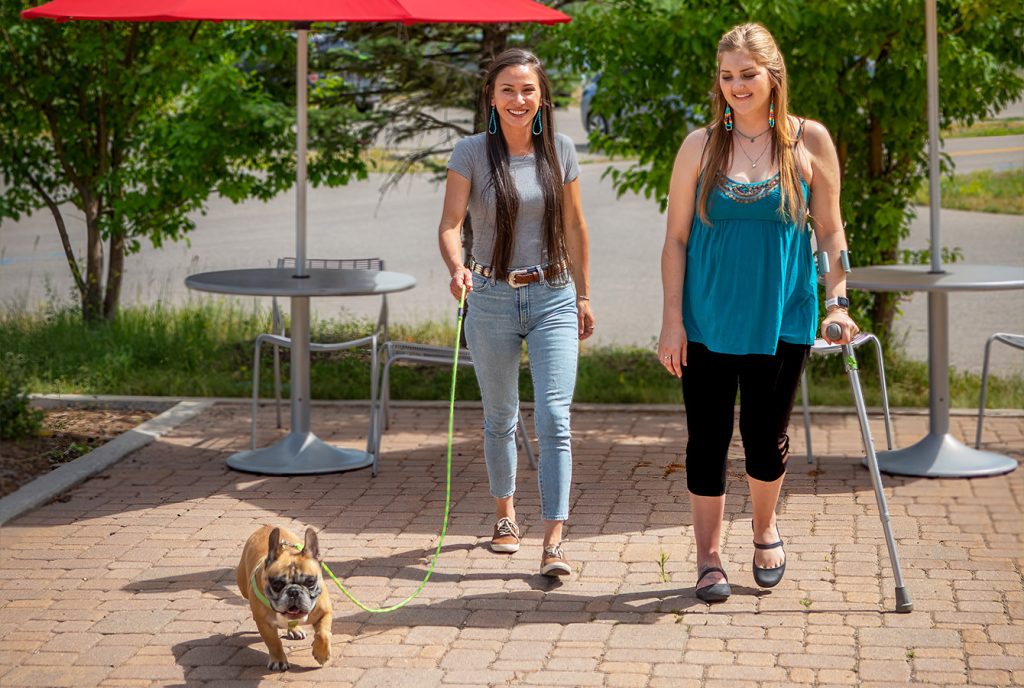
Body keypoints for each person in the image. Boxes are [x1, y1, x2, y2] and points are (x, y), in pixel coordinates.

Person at [657, 23, 859, 602]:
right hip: (706, 320)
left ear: (773, 75)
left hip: (782, 317)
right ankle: (708, 556)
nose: (737, 86)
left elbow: (831, 231)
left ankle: (766, 528)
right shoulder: (700, 145)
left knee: (765, 436)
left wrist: (838, 302)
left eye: (748, 74)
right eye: (727, 76)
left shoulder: (808, 141)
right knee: (707, 439)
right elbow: (675, 241)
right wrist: (672, 320)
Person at [438, 48, 594, 577]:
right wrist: (457, 267)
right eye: (508, 89)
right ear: (492, 97)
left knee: (554, 416)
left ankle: (554, 540)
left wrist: (584, 294)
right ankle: (505, 517)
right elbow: (449, 224)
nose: (518, 99)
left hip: (552, 293)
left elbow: (575, 227)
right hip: (489, 297)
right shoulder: (470, 153)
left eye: (528, 90)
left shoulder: (561, 151)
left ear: (542, 97)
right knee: (500, 416)